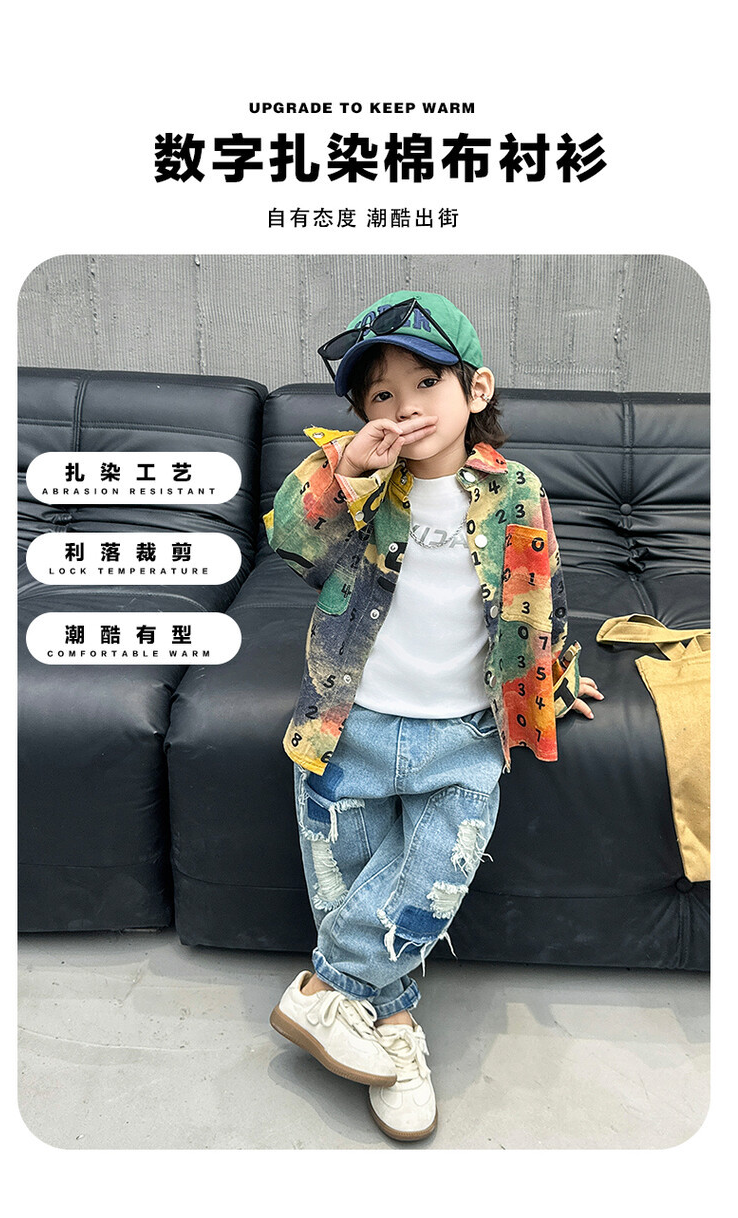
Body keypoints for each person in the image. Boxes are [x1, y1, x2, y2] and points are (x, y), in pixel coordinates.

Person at [263, 290, 603, 1142]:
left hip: (465, 736)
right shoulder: (360, 488)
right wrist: (346, 468)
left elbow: (540, 597)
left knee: (426, 888)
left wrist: (557, 677)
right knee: (346, 886)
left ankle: (324, 991)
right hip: (349, 730)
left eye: (426, 382)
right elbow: (292, 543)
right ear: (362, 414)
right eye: (382, 394)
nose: (406, 405)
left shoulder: (518, 491)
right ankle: (392, 1028)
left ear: (476, 389)